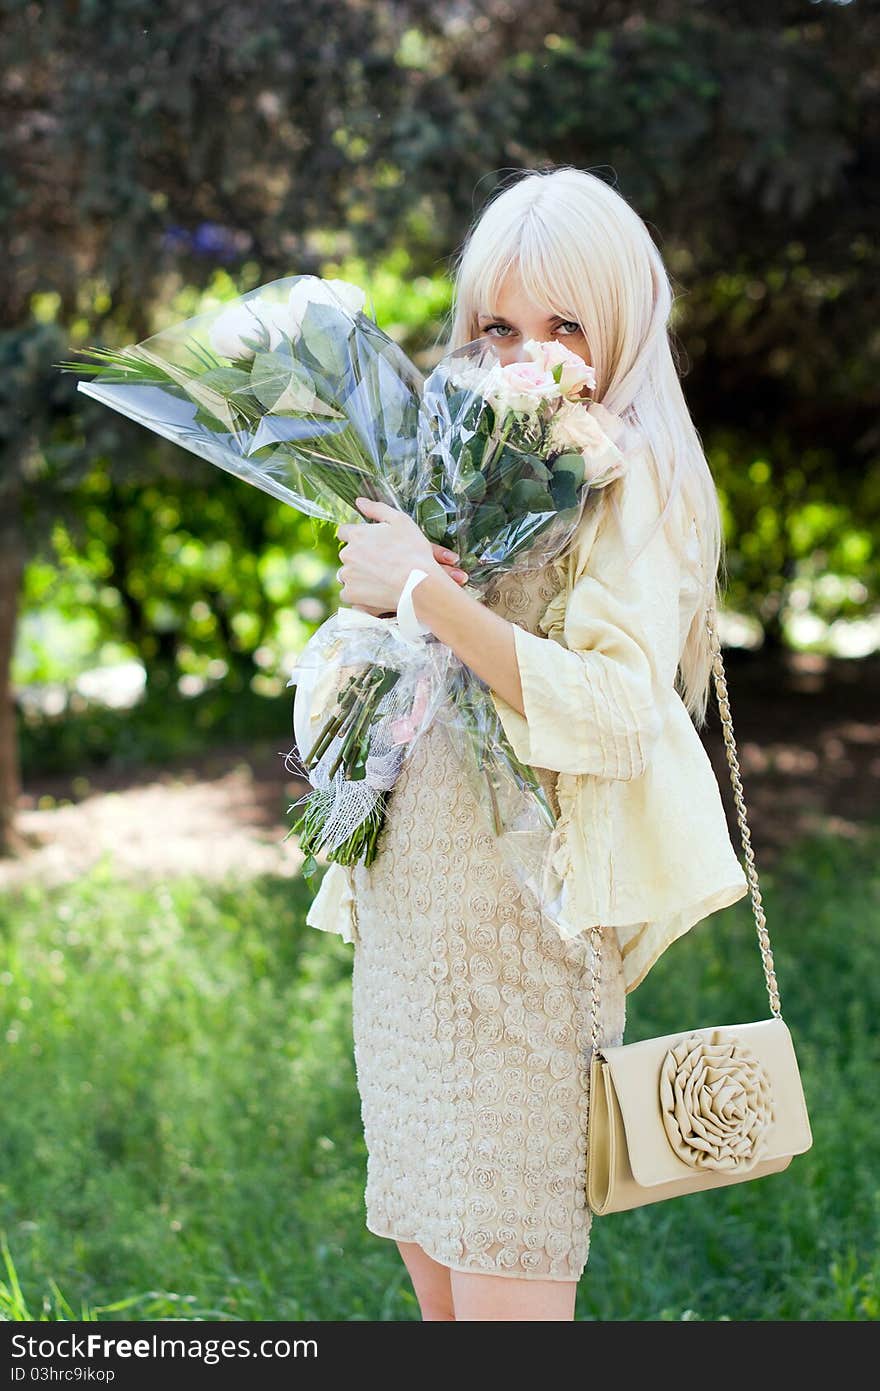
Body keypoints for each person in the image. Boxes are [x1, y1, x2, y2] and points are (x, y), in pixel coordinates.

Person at [308, 165, 749, 1321]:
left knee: (508, 1288)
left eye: (564, 326)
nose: (524, 357)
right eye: (496, 326)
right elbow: (332, 718)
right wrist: (369, 613)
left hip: (526, 947)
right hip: (413, 929)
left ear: (623, 326)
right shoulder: (446, 471)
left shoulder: (631, 483)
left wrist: (432, 599)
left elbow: (614, 717)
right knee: (440, 1288)